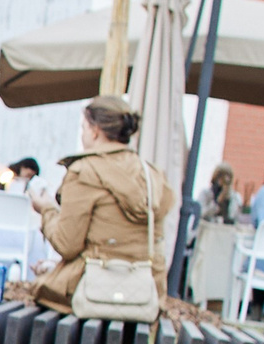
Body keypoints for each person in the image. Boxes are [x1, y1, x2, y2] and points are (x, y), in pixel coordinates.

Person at [27, 94, 175, 315]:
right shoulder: (152, 175)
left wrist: (46, 209)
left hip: (94, 292)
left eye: (83, 128)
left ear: (95, 130)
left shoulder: (85, 171)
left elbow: (67, 244)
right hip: (144, 295)